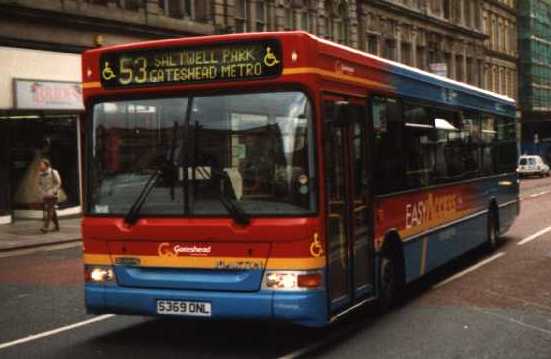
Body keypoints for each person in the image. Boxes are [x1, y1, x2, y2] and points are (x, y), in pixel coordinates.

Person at [38, 159, 62, 233]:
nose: (40, 166)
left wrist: (53, 191)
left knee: (49, 210)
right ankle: (57, 227)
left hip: (53, 195)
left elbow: (59, 183)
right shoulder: (40, 174)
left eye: (41, 164)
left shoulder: (53, 172)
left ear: (46, 165)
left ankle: (45, 227)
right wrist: (41, 191)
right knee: (52, 211)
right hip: (45, 195)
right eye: (40, 165)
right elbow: (39, 184)